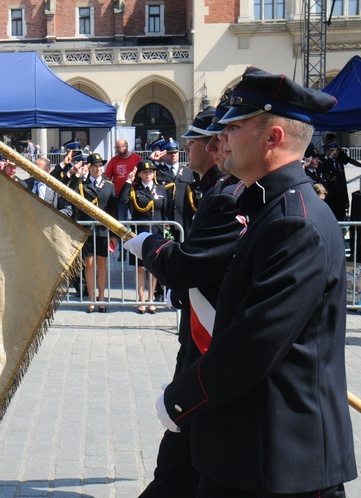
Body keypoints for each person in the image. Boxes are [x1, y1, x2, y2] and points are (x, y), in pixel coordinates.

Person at [149, 66, 357, 497]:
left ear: (273, 138)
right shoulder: (267, 208)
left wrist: (181, 397)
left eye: (235, 126)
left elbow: (253, 341)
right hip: (249, 449)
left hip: (280, 458)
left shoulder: (294, 222)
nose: (220, 137)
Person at [128, 102, 244, 497]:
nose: (185, 148)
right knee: (186, 455)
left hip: (211, 336)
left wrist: (151, 247)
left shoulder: (226, 194)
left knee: (182, 454)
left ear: (212, 145)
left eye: (191, 140)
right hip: (198, 329)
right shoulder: (212, 189)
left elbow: (194, 264)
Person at [65, 153, 116, 313]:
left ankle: (101, 297)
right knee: (89, 263)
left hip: (102, 229)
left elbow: (113, 209)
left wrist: (115, 233)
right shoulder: (83, 183)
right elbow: (71, 193)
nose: (98, 169)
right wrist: (78, 176)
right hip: (87, 229)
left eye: (100, 165)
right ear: (89, 167)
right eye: (94, 166)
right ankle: (91, 298)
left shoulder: (109, 185)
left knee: (101, 263)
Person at [119, 159, 167, 314]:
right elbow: (123, 200)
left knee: (152, 268)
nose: (148, 174)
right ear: (139, 174)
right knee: (140, 268)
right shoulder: (134, 189)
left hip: (157, 232)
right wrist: (128, 182)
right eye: (145, 172)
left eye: (151, 172)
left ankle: (151, 298)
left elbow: (165, 211)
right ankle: (141, 299)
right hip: (140, 232)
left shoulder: (161, 189)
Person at [150, 138, 197, 239]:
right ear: (163, 154)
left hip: (184, 218)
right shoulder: (156, 172)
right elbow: (141, 177)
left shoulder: (188, 171)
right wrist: (152, 160)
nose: (173, 155)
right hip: (165, 218)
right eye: (170, 153)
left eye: (176, 152)